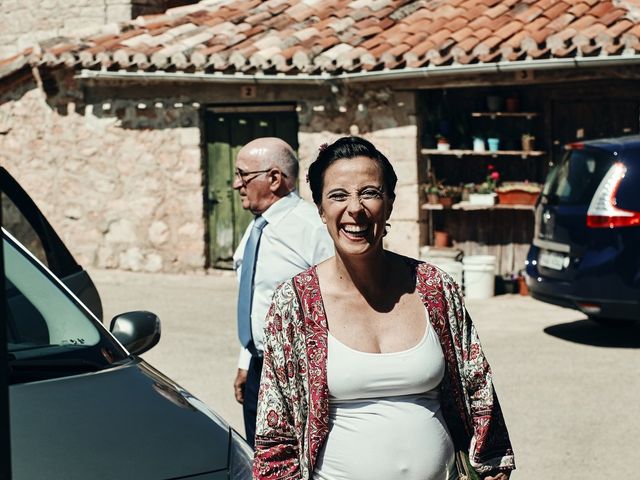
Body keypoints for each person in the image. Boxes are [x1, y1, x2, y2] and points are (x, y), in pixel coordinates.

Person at [254, 137, 515, 479]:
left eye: (370, 193)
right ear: (320, 209)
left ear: (389, 203)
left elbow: (478, 388)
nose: (355, 209)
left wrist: (492, 464)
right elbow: (277, 434)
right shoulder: (295, 304)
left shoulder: (435, 288)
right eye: (338, 195)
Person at [232, 137, 333, 448]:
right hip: (260, 366)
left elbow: (340, 299)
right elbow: (256, 299)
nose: (237, 185)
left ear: (274, 178)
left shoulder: (312, 227)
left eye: (243, 175)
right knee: (261, 458)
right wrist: (246, 361)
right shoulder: (257, 226)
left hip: (299, 373)